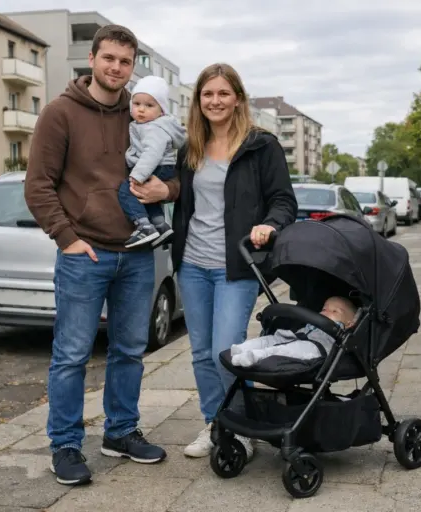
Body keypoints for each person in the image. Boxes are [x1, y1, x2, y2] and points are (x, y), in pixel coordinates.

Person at [23, 24, 179, 487]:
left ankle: (121, 432)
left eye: (125, 61)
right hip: (84, 254)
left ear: (133, 67)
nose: (116, 68)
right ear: (91, 59)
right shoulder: (60, 113)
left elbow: (176, 174)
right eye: (108, 58)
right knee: (71, 355)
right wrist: (67, 238)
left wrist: (166, 188)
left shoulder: (142, 115)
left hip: (136, 252)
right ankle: (66, 444)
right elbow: (38, 186)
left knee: (130, 350)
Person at [132, 62, 298, 460]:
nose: (215, 100)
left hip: (237, 266)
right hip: (192, 264)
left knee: (227, 348)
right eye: (208, 94)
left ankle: (242, 427)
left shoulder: (261, 145)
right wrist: (162, 191)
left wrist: (269, 225)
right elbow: (181, 191)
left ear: (237, 98)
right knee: (202, 353)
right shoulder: (191, 146)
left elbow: (284, 200)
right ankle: (217, 423)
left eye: (223, 93)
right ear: (198, 101)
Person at [118, 75, 186, 249]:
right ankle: (160, 225)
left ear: (161, 110)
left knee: (127, 190)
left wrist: (137, 175)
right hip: (162, 167)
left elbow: (152, 153)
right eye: (137, 104)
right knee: (148, 198)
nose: (141, 109)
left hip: (158, 166)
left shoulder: (154, 127)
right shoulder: (146, 125)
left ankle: (143, 226)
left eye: (149, 105)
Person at [230, 296, 357, 367]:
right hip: (297, 337)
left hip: (315, 348)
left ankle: (256, 356)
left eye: (335, 311)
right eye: (324, 309)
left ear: (349, 323)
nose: (326, 312)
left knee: (285, 350)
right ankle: (242, 348)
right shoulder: (314, 321)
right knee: (272, 339)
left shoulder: (341, 330)